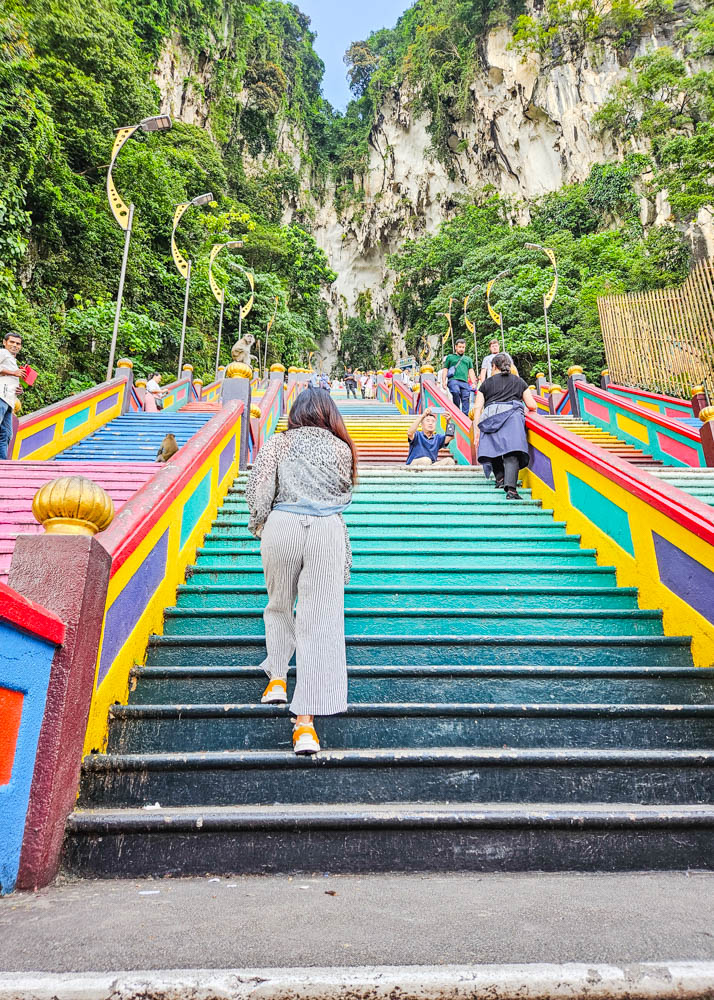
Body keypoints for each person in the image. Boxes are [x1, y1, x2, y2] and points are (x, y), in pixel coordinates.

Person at [245, 388, 358, 756]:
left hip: (284, 522)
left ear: (295, 412)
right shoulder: (342, 447)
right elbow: (345, 492)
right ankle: (305, 725)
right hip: (327, 530)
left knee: (278, 605)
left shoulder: (279, 443)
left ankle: (277, 679)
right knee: (321, 622)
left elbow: (259, 488)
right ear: (329, 413)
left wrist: (261, 523)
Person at [472, 352, 537, 499]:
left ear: (494, 366)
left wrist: (477, 429)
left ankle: (500, 478)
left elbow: (477, 408)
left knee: (493, 449)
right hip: (512, 418)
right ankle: (511, 490)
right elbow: (532, 405)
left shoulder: (486, 384)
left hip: (491, 418)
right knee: (511, 452)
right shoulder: (519, 381)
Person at [0, 333, 26, 460]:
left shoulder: (12, 360)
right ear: (4, 342)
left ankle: (3, 465)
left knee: (6, 435)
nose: (15, 345)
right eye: (12, 342)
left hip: (9, 401)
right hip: (0, 397)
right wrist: (13, 373)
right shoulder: (2, 353)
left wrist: (18, 389)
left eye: (18, 343)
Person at [440, 338, 475, 414]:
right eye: (460, 347)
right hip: (453, 380)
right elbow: (445, 369)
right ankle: (457, 410)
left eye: (463, 347)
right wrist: (443, 381)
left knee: (466, 397)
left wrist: (473, 382)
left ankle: (465, 416)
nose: (461, 349)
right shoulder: (450, 357)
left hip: (464, 382)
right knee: (455, 392)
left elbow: (471, 371)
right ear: (456, 347)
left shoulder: (467, 359)